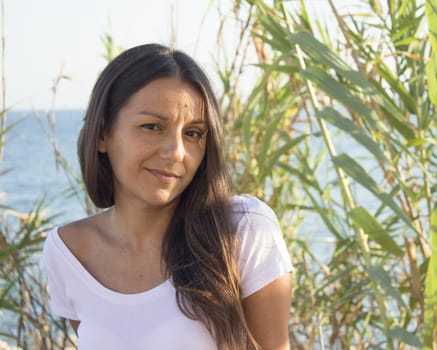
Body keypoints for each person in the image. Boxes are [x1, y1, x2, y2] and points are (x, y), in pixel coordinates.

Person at [43, 43, 294, 350]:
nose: (176, 152)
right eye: (152, 127)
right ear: (102, 135)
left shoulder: (242, 230)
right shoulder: (67, 253)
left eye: (193, 133)